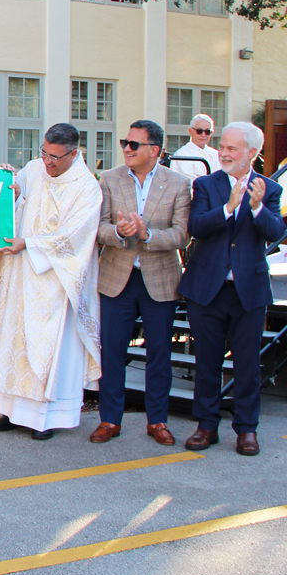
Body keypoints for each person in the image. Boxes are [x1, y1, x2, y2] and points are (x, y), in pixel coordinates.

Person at [0, 123, 103, 439]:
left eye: (55, 157)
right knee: (14, 344)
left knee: (49, 349)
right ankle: (10, 411)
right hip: (20, 275)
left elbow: (75, 237)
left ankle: (45, 418)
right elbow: (14, 199)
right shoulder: (35, 169)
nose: (48, 162)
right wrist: (12, 187)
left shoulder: (86, 187)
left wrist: (30, 244)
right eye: (44, 154)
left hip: (55, 282)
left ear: (74, 154)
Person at [178, 122, 284, 456]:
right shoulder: (206, 184)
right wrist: (228, 207)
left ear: (252, 153)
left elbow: (276, 231)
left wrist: (253, 207)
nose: (223, 152)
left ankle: (247, 429)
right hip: (207, 288)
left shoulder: (269, 188)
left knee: (248, 364)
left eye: (232, 148)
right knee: (207, 362)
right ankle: (206, 426)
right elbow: (197, 226)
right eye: (222, 146)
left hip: (248, 290)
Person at [91, 120, 191, 446]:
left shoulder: (178, 184)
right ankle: (109, 420)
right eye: (125, 142)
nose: (127, 149)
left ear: (155, 150)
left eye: (134, 144)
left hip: (160, 278)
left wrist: (148, 235)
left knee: (160, 353)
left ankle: (158, 421)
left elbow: (182, 235)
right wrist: (119, 232)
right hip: (117, 276)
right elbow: (97, 228)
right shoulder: (108, 178)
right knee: (113, 352)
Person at [169, 114, 221, 181]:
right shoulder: (182, 155)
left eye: (207, 132)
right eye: (199, 131)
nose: (203, 135)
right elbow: (190, 182)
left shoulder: (216, 154)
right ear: (190, 131)